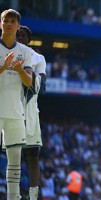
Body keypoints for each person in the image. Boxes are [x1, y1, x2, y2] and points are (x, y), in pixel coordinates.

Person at [0, 9, 33, 200]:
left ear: (18, 25)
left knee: (14, 159)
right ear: (0, 23)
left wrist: (19, 69)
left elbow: (28, 82)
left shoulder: (25, 52)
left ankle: (13, 197)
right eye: (6, 20)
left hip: (15, 112)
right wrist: (4, 66)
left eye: (13, 21)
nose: (9, 24)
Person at [15, 25, 46, 200]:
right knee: (12, 154)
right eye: (18, 33)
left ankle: (33, 197)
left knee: (32, 156)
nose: (20, 36)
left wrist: (27, 74)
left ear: (29, 39)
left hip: (30, 112)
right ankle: (13, 193)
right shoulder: (4, 52)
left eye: (24, 34)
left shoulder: (38, 58)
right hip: (7, 107)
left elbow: (42, 89)